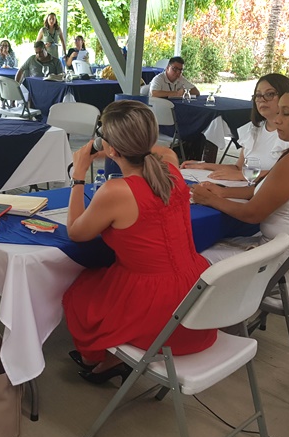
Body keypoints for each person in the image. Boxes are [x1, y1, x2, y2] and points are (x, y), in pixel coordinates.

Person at [63, 100, 217, 384]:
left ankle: (96, 357)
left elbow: (75, 232)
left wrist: (78, 176)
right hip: (197, 298)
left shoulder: (115, 191)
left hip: (158, 309)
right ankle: (109, 360)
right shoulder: (170, 166)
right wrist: (111, 148)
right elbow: (156, 151)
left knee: (80, 292)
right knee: (99, 281)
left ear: (111, 147)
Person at [193, 86, 289, 300]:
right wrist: (223, 192)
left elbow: (252, 214)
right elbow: (264, 190)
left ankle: (200, 325)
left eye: (286, 113)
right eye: (278, 113)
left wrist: (210, 199)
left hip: (283, 271)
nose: (277, 121)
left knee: (189, 257)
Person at [181, 73, 289, 181]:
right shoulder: (254, 129)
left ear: (286, 96)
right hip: (247, 189)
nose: (262, 99)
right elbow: (238, 168)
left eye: (269, 94)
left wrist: (243, 175)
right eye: (258, 95)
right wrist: (203, 166)